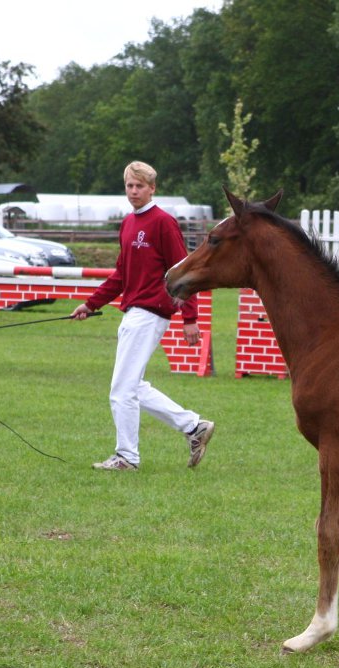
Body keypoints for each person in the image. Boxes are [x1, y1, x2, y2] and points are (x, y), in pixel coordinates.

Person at [70, 161, 214, 471]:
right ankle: (194, 427)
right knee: (133, 387)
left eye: (140, 186)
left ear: (152, 188)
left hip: (150, 314)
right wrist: (90, 305)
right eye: (129, 186)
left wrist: (190, 317)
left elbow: (183, 270)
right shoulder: (127, 224)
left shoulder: (163, 222)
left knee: (121, 390)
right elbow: (120, 275)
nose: (134, 191)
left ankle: (127, 458)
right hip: (133, 313)